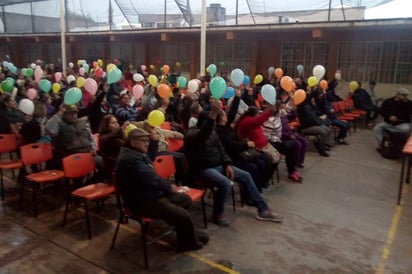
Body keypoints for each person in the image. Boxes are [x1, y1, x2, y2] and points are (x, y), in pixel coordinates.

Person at [184, 101, 283, 226]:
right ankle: (217, 213)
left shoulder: (213, 133)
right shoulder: (191, 134)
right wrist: (213, 115)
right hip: (202, 169)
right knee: (225, 183)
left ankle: (263, 209)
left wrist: (227, 164)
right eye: (211, 122)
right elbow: (202, 136)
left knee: (246, 175)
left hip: (219, 165)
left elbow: (222, 150)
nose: (213, 125)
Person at [115, 127, 208, 252]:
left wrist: (153, 141)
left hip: (150, 193)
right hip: (141, 201)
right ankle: (186, 243)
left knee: (185, 199)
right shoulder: (130, 160)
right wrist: (169, 186)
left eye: (147, 140)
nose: (146, 143)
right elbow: (151, 179)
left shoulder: (135, 152)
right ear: (132, 142)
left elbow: (150, 158)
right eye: (143, 140)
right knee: (183, 215)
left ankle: (185, 232)